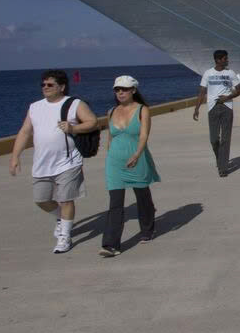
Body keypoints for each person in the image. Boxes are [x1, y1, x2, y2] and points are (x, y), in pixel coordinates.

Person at [10, 69, 98, 254]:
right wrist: (15, 156)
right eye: (43, 84)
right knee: (41, 200)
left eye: (50, 84)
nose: (45, 87)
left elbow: (92, 122)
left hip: (68, 161)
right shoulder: (35, 106)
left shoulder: (74, 103)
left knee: (66, 199)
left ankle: (65, 237)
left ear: (62, 86)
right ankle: (61, 218)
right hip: (42, 163)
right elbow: (25, 131)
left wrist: (73, 128)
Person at [99, 76, 160, 257]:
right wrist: (109, 156)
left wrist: (137, 154)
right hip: (115, 163)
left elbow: (143, 136)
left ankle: (148, 229)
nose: (120, 92)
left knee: (142, 196)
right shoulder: (111, 111)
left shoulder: (143, 110)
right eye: (117, 89)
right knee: (115, 203)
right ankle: (111, 244)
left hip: (137, 158)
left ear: (133, 90)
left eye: (124, 89)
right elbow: (110, 138)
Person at [193, 49, 240, 177]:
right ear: (218, 60)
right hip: (212, 107)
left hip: (227, 107)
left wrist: (227, 97)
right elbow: (202, 91)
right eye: (225, 59)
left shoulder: (230, 73)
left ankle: (223, 168)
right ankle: (220, 159)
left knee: (226, 138)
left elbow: (239, 90)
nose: (227, 60)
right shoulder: (208, 73)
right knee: (214, 139)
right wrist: (196, 108)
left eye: (227, 58)